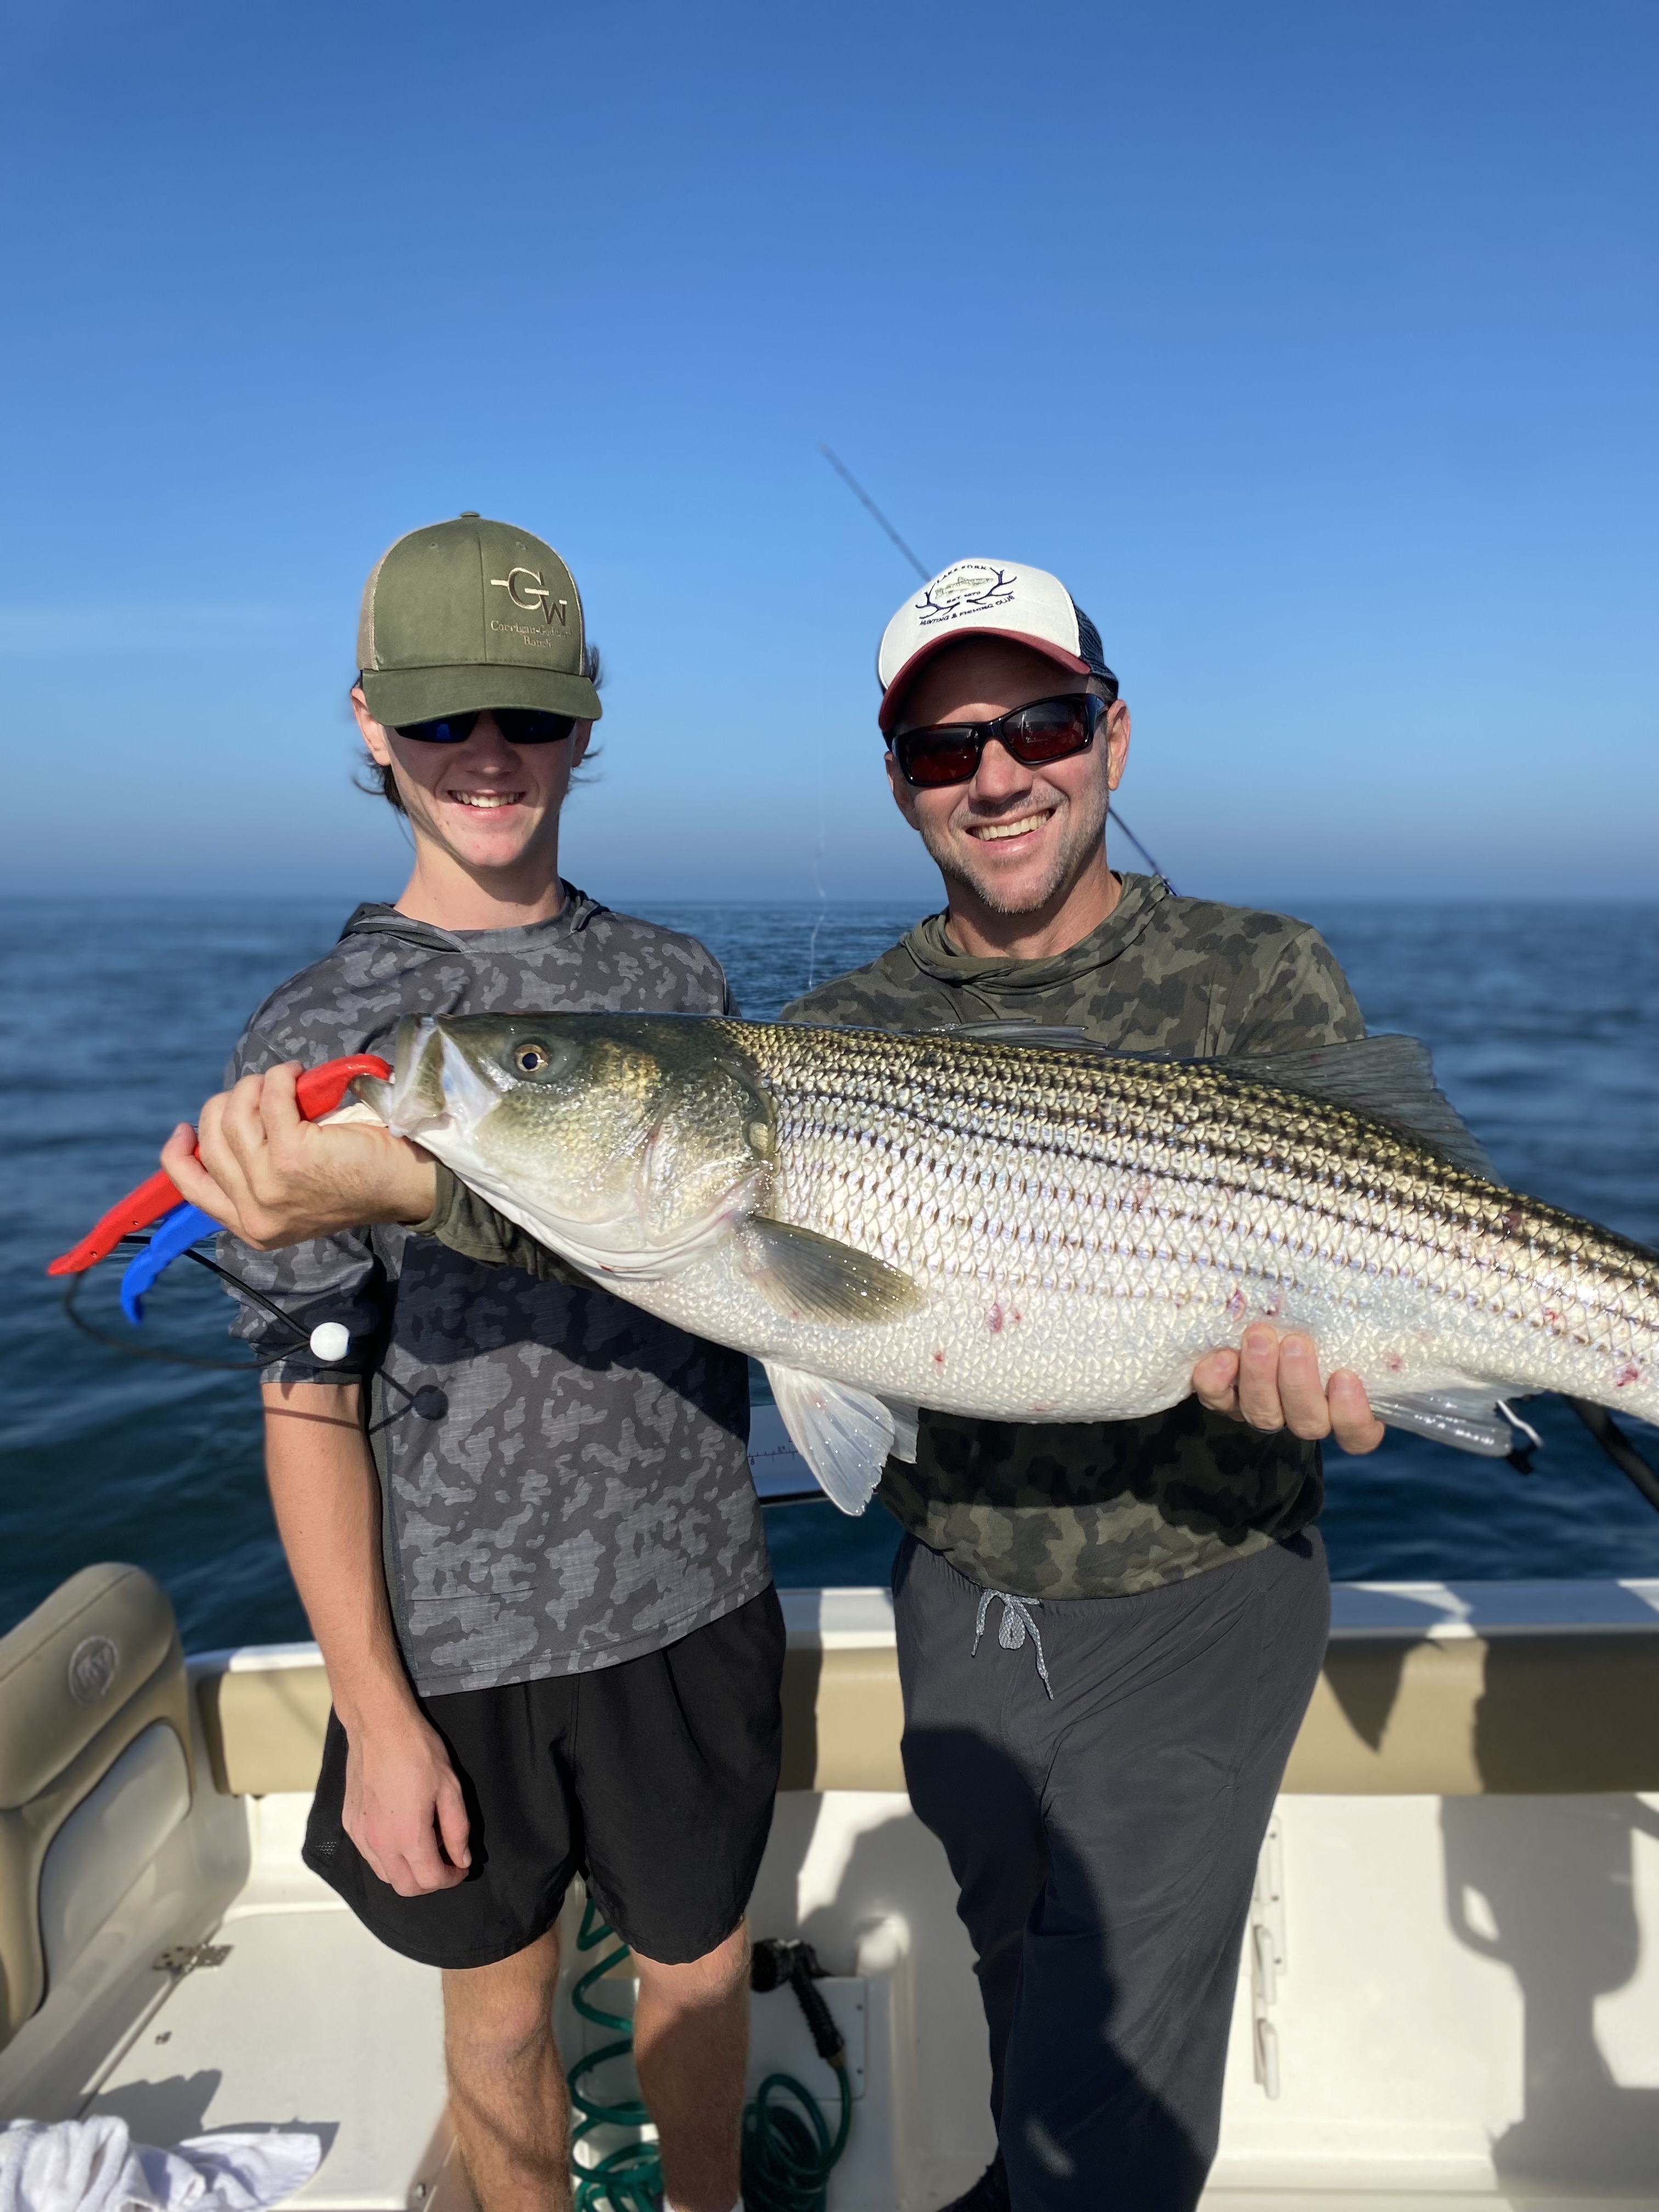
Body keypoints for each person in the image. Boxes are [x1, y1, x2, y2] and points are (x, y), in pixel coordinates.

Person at [172, 555, 1385, 2212]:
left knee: (1102, 2083)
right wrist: (373, 1702)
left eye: (1040, 725)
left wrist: (1351, 1374)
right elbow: (654, 1236)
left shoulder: (1253, 970)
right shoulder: (845, 1022)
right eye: (945, 746)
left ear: (1113, 735)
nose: (996, 773)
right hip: (949, 1596)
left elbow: (1382, 1217)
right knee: (1015, 1985)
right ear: (899, 780)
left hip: (1179, 1595)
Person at [167, 514, 782, 2212]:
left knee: (700, 1980)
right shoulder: (313, 1030)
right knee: (501, 2018)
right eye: (445, 719)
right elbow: (309, 1395)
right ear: (371, 726)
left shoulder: (677, 981)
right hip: (458, 1640)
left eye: (530, 715)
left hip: (692, 1592)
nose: (489, 757)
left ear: (588, 720)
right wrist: (376, 1715)